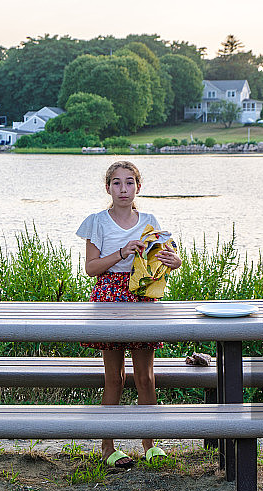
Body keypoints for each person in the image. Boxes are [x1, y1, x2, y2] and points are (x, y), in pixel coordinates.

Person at [76, 161, 182, 468]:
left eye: (130, 183)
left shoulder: (150, 220)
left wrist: (173, 260)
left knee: (146, 377)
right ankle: (108, 447)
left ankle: (150, 444)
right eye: (117, 183)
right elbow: (91, 268)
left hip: (143, 297)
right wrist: (122, 252)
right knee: (115, 378)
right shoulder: (96, 221)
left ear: (139, 187)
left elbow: (166, 260)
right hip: (109, 298)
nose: (124, 189)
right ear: (107, 187)